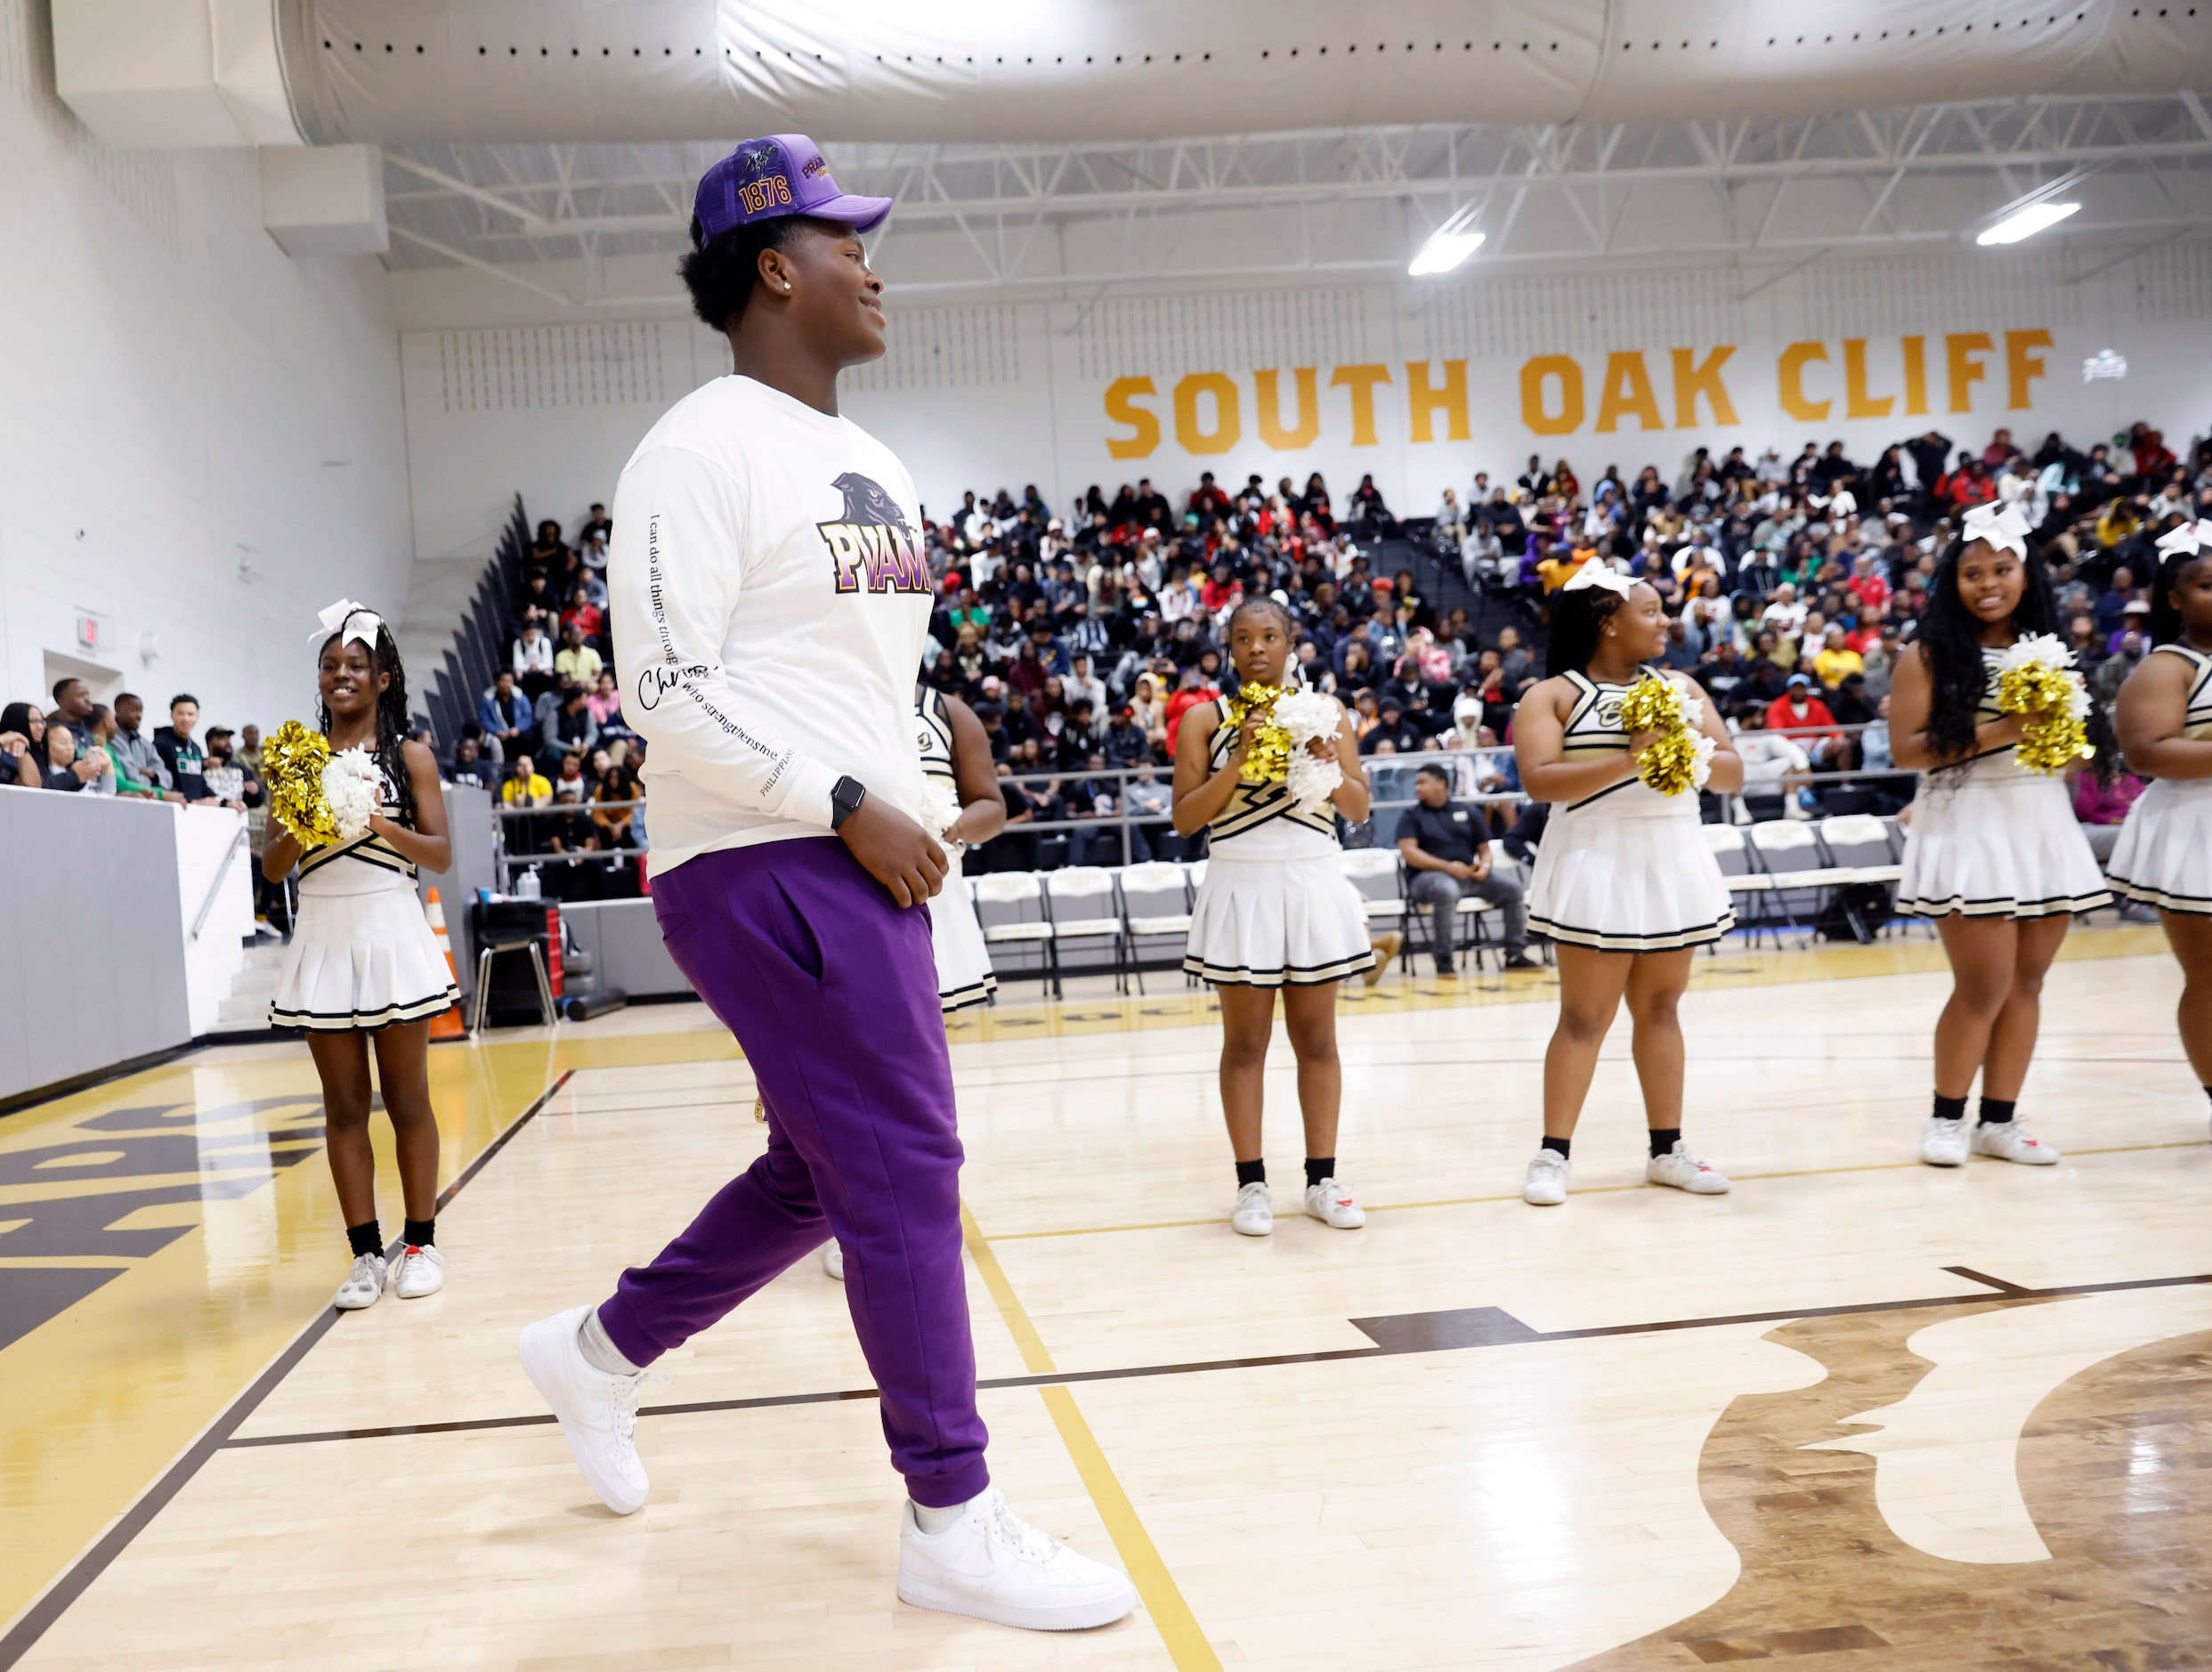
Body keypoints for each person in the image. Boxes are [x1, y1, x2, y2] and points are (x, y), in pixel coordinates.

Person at [515, 136, 1133, 1631]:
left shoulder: (878, 463)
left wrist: (900, 799)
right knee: (908, 1169)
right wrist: (844, 800)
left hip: (859, 850)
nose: (875, 262)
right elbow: (658, 684)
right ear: (772, 266)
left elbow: (846, 680)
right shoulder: (698, 445)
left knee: (822, 1168)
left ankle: (597, 1351)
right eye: (844, 238)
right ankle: (951, 1514)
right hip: (766, 853)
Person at [1512, 563, 1745, 1206]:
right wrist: (1630, 758)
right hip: (1595, 855)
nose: (1664, 621)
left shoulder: (1679, 685)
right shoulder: (1553, 695)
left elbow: (1730, 773)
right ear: (1607, 623)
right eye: (1649, 611)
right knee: (1585, 1016)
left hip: (1668, 853)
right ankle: (1552, 1156)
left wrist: (1683, 744)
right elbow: (1538, 781)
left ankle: (1667, 1150)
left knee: (1662, 1008)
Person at [1891, 501, 2111, 1169]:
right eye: (1971, 572)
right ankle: (1944, 1117)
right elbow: (1907, 750)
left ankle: (1999, 1121)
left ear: (2026, 575)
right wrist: (2010, 726)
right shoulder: (1925, 655)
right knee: (1981, 984)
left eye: (2002, 569)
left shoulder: (2050, 652)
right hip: (1967, 821)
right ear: (1950, 581)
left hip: (2038, 817)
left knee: (2026, 983)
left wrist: (2062, 737)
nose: (1986, 583)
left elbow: (2073, 756)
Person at [262, 603, 458, 1310]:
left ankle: (420, 1243)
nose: (340, 676)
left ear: (381, 678)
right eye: (329, 666)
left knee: (407, 1099)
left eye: (354, 666)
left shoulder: (410, 757)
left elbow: (438, 855)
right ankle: (364, 1255)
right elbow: (275, 867)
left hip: (389, 928)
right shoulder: (297, 758)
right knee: (343, 1106)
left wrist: (375, 819)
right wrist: (306, 810)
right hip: (324, 933)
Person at [1172, 597, 1376, 1238]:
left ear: (1292, 645)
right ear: (1228, 649)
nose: (1256, 648)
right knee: (1245, 1044)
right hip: (1240, 880)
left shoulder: (1328, 712)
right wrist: (1238, 759)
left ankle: (1322, 1179)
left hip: (1310, 877)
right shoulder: (1203, 718)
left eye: (1268, 636)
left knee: (1317, 1041)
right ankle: (1251, 1184)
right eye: (1241, 638)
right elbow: (1184, 818)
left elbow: (1359, 808)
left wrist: (1320, 755)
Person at [821, 685, 1009, 1283]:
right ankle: (839, 1222)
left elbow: (992, 806)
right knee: (843, 1073)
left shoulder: (948, 711)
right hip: (843, 891)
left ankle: (925, 1215)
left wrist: (946, 827)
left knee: (919, 1077)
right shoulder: (824, 690)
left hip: (930, 892)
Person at [2109, 524, 2212, 1128]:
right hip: (2193, 826)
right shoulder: (2167, 667)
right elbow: (2145, 752)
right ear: (2173, 599)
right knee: (2209, 975)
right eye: (2205, 585)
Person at [1394, 763, 1538, 975]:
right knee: (1446, 890)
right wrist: (1447, 867)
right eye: (1417, 783)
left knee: (1513, 889)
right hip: (1426, 879)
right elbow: (1409, 853)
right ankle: (1444, 959)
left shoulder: (1465, 811)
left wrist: (1485, 867)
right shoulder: (1412, 815)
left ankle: (1515, 954)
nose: (1417, 788)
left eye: (1422, 782)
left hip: (1467, 874)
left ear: (1441, 784)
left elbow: (1485, 850)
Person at [153, 694, 215, 802]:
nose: (185, 718)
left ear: (197, 717)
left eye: (190, 714)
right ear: (172, 715)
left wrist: (221, 801)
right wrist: (191, 801)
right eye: (180, 713)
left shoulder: (196, 748)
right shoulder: (161, 743)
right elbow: (162, 780)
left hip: (196, 809)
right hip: (175, 807)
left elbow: (200, 783)